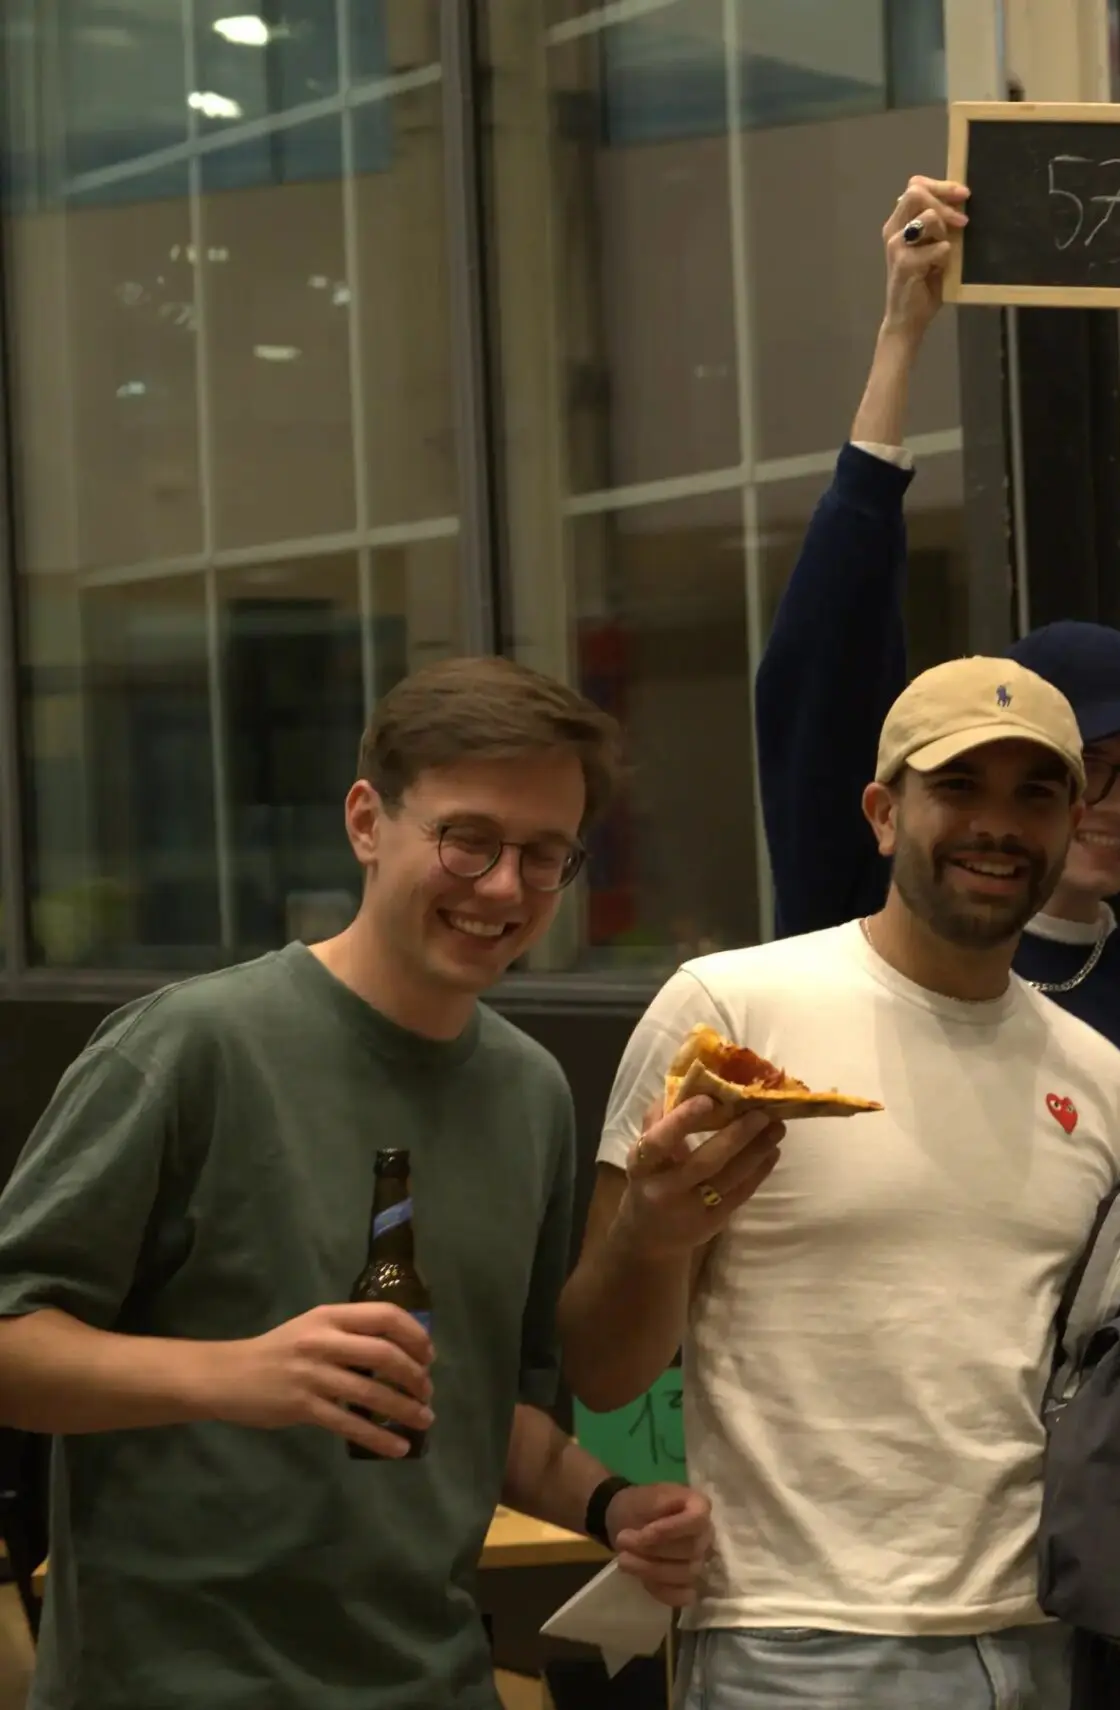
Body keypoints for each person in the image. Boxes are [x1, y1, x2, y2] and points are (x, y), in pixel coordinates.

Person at [560, 657, 1120, 1710]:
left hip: (1044, 1636)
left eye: (1035, 795)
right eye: (959, 787)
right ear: (884, 813)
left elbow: (1099, 1383)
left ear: (1071, 822)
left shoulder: (1101, 1080)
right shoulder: (730, 1011)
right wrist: (652, 1237)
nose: (998, 825)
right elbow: (600, 1369)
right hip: (794, 1643)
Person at [0, 657, 712, 1710]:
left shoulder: (529, 1094)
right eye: (467, 840)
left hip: (432, 1678)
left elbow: (485, 1413)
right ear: (368, 822)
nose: (504, 888)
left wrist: (611, 1507)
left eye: (544, 855)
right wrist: (234, 1374)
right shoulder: (191, 1048)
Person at [753, 172, 1120, 1131]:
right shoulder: (871, 921)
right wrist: (901, 334)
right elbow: (826, 664)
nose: (1119, 803)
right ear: (889, 813)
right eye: (1085, 769)